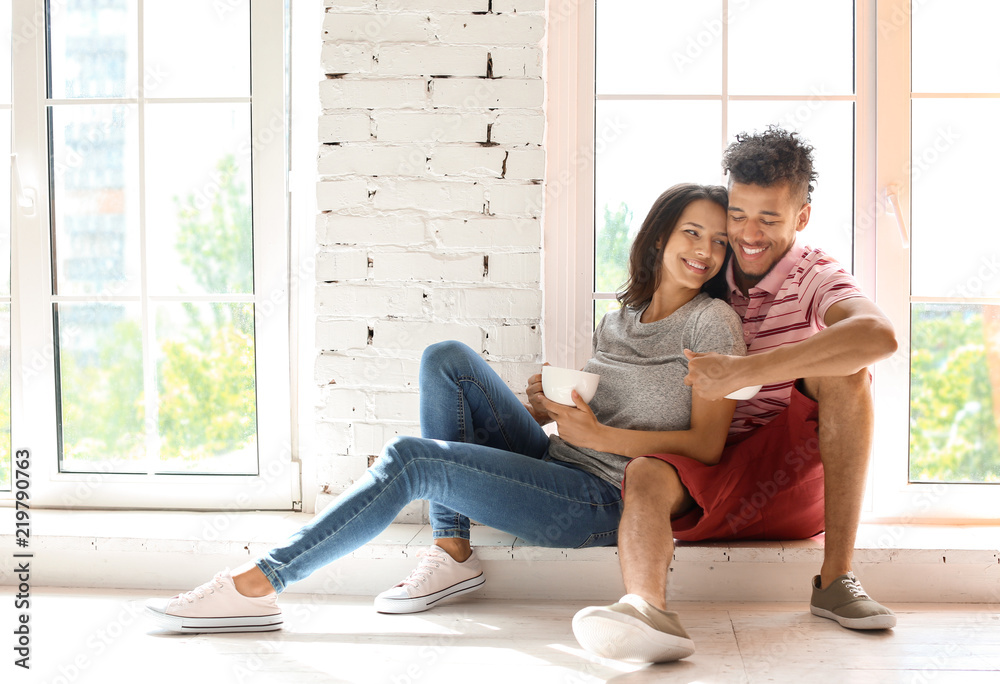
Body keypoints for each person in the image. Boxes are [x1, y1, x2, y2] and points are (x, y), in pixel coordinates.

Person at [144, 183, 746, 634]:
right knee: (447, 358)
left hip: (597, 496)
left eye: (720, 241)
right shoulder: (621, 318)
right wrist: (548, 408)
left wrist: (598, 434)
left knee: (412, 459)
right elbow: (603, 412)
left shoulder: (713, 322)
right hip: (561, 456)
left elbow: (706, 447)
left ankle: (260, 583)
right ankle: (452, 551)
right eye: (693, 232)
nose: (706, 250)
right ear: (661, 235)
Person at [571, 126, 900, 665]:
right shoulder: (713, 263)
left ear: (801, 217)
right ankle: (646, 611)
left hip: (790, 480)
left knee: (848, 370)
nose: (748, 234)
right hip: (716, 473)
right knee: (649, 471)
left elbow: (880, 335)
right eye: (737, 217)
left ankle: (836, 578)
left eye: (769, 219)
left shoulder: (813, 274)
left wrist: (747, 369)